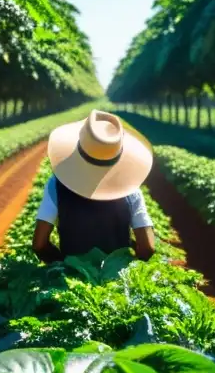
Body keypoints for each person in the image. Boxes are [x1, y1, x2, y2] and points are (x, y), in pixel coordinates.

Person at [32, 109, 155, 262]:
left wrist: (64, 264)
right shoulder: (130, 191)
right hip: (116, 278)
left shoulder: (56, 185)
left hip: (72, 278)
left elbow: (39, 244)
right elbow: (147, 247)